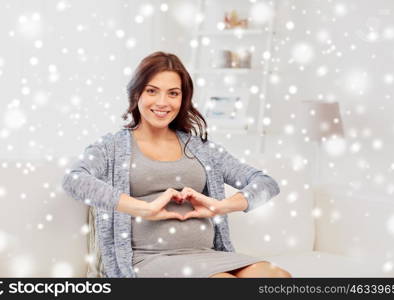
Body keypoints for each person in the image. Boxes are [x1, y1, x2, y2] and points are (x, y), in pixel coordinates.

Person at [62, 51, 292, 278]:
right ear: (136, 94)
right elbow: (73, 180)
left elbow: (266, 183)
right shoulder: (110, 147)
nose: (162, 102)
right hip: (147, 259)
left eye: (173, 93)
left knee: (278, 278)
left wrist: (222, 206)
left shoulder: (202, 149)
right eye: (152, 91)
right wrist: (143, 208)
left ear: (183, 99)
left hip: (206, 255)